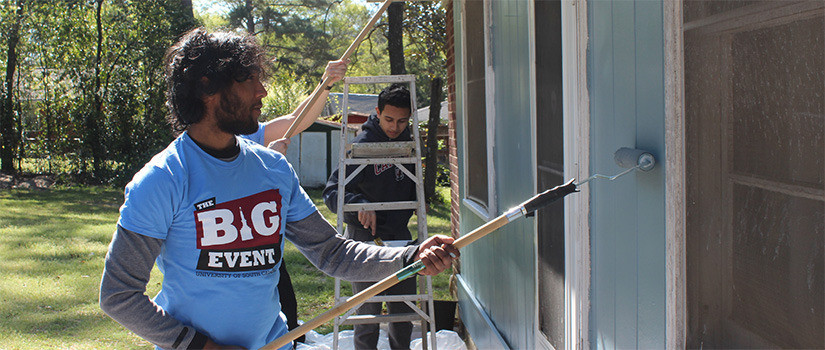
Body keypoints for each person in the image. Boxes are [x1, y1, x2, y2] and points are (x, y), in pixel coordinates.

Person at [98, 28, 458, 350]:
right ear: (208, 87)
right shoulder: (164, 178)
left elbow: (332, 253)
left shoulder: (272, 169)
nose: (262, 91)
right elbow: (118, 295)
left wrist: (409, 257)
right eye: (249, 80)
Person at [240, 57, 348, 347]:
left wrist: (326, 84)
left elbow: (295, 121)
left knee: (287, 315)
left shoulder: (253, 132)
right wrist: (268, 161)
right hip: (232, 258)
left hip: (267, 253)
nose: (261, 92)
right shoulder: (202, 146)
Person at [322, 84, 419, 350]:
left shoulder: (410, 145)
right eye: (388, 119)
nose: (394, 127)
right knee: (367, 314)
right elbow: (332, 193)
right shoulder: (360, 146)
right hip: (363, 239)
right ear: (377, 112)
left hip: (399, 238)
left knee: (404, 312)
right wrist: (359, 204)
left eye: (402, 121)